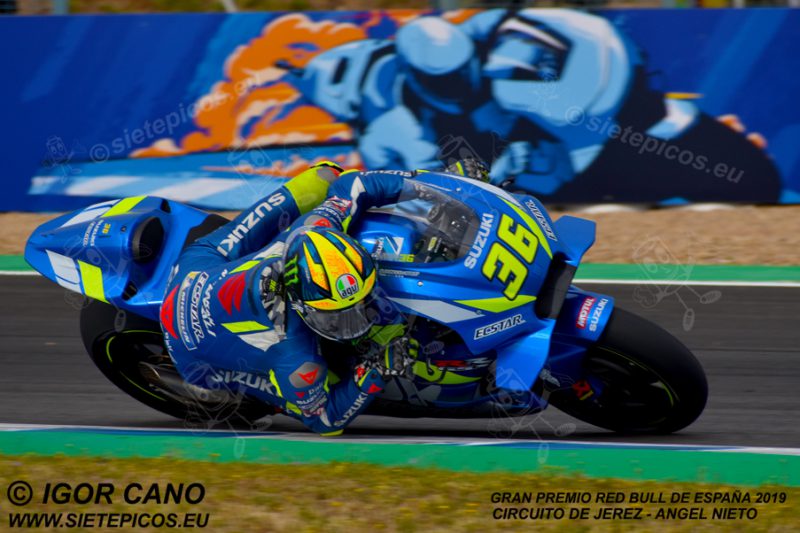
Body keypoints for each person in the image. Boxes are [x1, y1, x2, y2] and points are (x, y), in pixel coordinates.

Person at [159, 161, 433, 435]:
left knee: (326, 175)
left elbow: (355, 184)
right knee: (307, 386)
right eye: (338, 316)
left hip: (200, 267)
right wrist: (373, 375)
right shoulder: (295, 355)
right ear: (301, 306)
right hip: (190, 349)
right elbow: (326, 421)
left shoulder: (316, 228)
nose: (357, 321)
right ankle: (278, 400)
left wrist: (426, 186)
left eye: (361, 304)